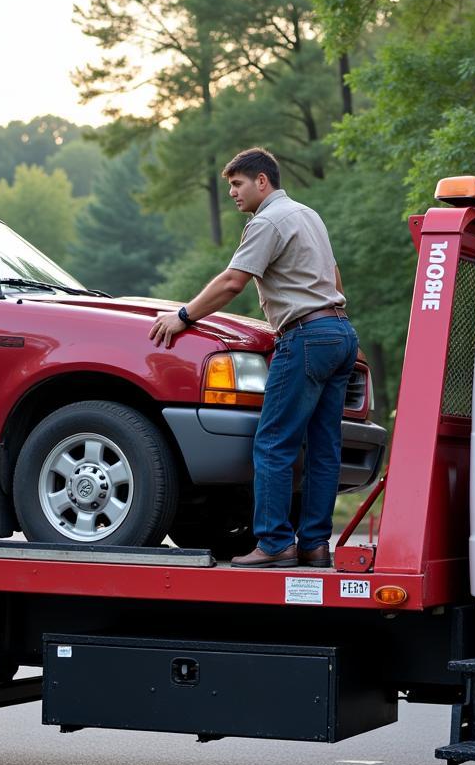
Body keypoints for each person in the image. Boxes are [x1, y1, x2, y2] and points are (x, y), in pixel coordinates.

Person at [148, 147, 358, 569]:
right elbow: (334, 277)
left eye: (238, 184)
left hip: (305, 337)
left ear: (263, 181)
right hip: (340, 332)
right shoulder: (309, 215)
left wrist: (183, 315)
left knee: (273, 443)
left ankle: (276, 543)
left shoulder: (266, 221)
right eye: (229, 186)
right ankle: (316, 546)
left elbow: (231, 282)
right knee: (323, 448)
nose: (232, 193)